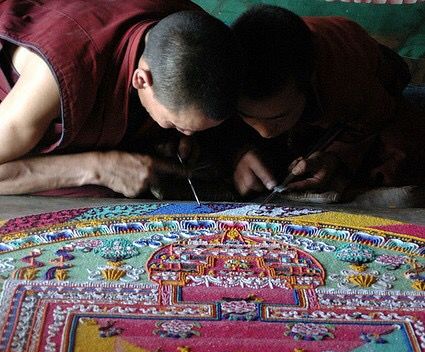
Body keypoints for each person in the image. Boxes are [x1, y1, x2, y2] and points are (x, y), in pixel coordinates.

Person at [0, 0, 241, 197]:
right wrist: (98, 168)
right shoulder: (61, 74)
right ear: (141, 80)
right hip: (17, 117)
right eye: (176, 125)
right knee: (97, 193)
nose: (186, 135)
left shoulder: (191, 25)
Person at [230, 5, 425, 202]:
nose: (265, 132)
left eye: (279, 117)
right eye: (249, 116)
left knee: (399, 166)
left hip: (376, 84)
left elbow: (371, 120)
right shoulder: (225, 72)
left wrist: (335, 157)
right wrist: (238, 152)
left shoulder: (347, 78)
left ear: (308, 85)